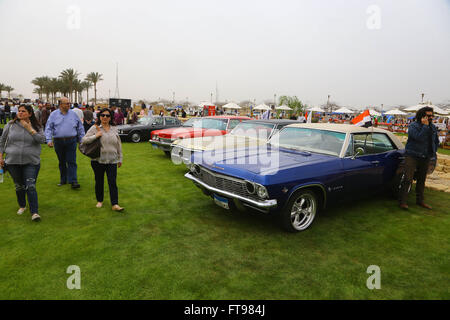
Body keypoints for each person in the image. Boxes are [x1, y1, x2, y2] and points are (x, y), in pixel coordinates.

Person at [0, 104, 46, 221]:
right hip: (12, 161)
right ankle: (22, 205)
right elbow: (2, 141)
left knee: (30, 186)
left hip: (31, 161)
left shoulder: (36, 126)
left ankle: (34, 212)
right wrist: (1, 156)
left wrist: (29, 129)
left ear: (30, 114)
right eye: (19, 111)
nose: (20, 113)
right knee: (19, 186)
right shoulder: (10, 125)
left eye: (23, 111)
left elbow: (42, 140)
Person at [81, 108, 124, 212]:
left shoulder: (114, 128)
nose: (105, 117)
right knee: (99, 181)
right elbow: (84, 140)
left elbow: (118, 144)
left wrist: (120, 158)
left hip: (112, 160)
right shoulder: (95, 128)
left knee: (112, 182)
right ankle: (99, 200)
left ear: (110, 117)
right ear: (99, 117)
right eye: (103, 115)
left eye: (107, 116)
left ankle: (115, 204)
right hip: (98, 160)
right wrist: (96, 136)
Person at [398, 107, 440, 210]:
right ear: (422, 116)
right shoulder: (413, 126)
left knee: (422, 179)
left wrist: (434, 150)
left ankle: (420, 201)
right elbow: (418, 138)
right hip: (412, 155)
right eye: (428, 116)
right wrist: (425, 126)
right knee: (408, 179)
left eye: (431, 115)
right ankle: (402, 202)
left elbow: (436, 140)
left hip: (426, 156)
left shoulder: (433, 127)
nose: (430, 117)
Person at [45, 97, 85, 189]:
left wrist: (82, 139)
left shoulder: (74, 114)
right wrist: (49, 140)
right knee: (62, 161)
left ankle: (73, 181)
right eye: (66, 103)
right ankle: (63, 180)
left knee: (71, 161)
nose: (69, 105)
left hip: (71, 140)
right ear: (60, 104)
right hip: (58, 141)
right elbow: (48, 128)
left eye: (69, 103)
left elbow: (80, 127)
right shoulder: (53, 115)